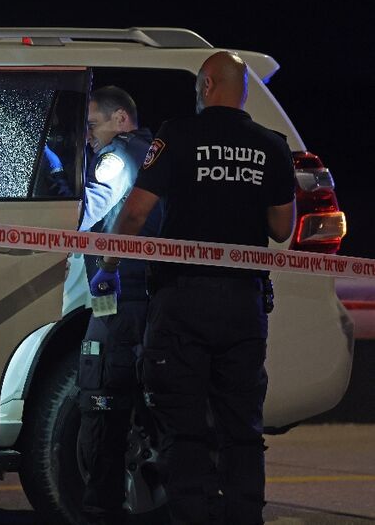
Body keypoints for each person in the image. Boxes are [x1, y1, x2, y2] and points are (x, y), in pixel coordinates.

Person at [89, 51, 296, 525]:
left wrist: (110, 263)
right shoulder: (272, 145)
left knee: (182, 429)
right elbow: (282, 228)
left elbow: (137, 211)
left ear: (206, 86)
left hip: (182, 301)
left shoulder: (177, 135)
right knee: (242, 428)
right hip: (243, 305)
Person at [67, 86, 162, 525]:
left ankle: (101, 507)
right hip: (149, 299)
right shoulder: (153, 154)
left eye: (92, 125)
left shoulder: (117, 158)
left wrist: (54, 180)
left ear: (121, 119)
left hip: (119, 301)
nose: (88, 136)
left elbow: (85, 213)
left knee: (101, 397)